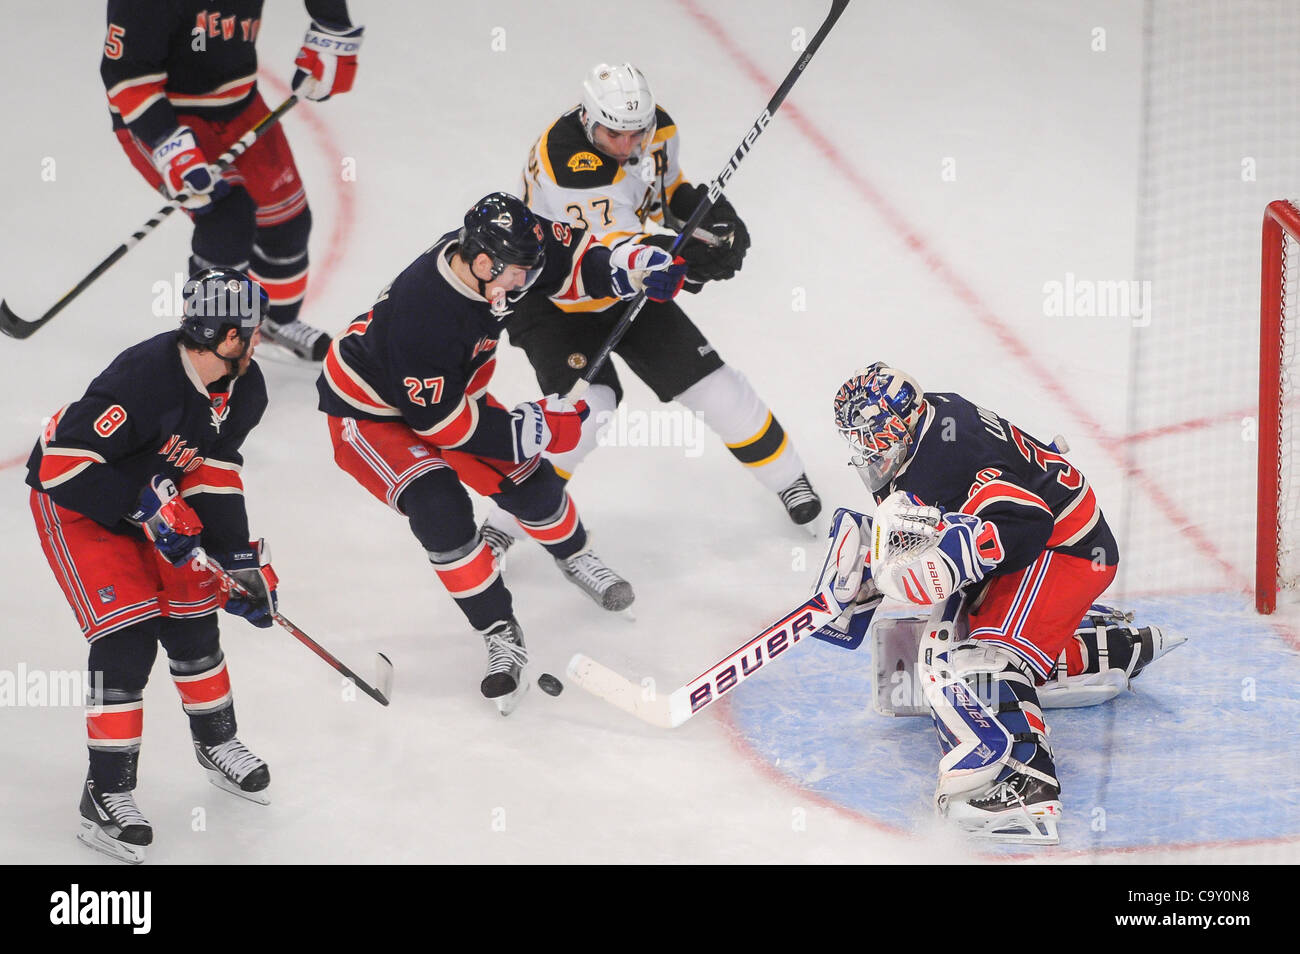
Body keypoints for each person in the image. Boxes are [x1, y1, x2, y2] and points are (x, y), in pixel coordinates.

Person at [316, 192, 687, 712]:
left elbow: (572, 260)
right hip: (372, 414)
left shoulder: (509, 249)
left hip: (449, 395)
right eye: (517, 275)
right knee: (441, 508)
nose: (526, 285)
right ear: (483, 262)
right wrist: (533, 428)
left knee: (534, 488)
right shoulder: (424, 308)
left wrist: (634, 268)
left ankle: (574, 555)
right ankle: (498, 629)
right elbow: (440, 424)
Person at [813, 363, 1181, 844]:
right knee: (963, 635)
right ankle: (1102, 648)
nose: (864, 449)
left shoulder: (949, 448)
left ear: (897, 422)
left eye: (870, 435)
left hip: (1066, 551)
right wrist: (878, 567)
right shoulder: (927, 422)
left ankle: (1022, 785)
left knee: (979, 660)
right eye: (857, 439)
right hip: (1034, 544)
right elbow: (944, 514)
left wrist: (946, 558)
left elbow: (1027, 522)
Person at [480, 62, 821, 559]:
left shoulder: (657, 129)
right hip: (557, 293)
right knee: (586, 412)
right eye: (614, 134)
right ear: (587, 117)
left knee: (717, 388)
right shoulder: (565, 163)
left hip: (626, 281)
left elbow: (663, 194)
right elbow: (611, 246)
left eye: (635, 133)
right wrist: (684, 258)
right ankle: (502, 523)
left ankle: (790, 479)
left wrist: (708, 218)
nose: (627, 145)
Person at [27, 269, 281, 864]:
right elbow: (58, 465)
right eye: (251, 329)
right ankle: (105, 792)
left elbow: (212, 473)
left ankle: (217, 743)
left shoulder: (247, 387)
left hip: (157, 501)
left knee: (195, 615)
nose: (259, 338)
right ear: (223, 335)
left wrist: (236, 560)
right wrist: (142, 509)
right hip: (82, 504)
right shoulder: (144, 378)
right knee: (129, 634)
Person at [100, 0, 364, 361]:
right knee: (226, 217)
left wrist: (333, 24)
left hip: (239, 102)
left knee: (287, 224)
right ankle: (207, 345)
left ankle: (273, 320)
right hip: (160, 114)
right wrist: (171, 148)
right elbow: (127, 76)